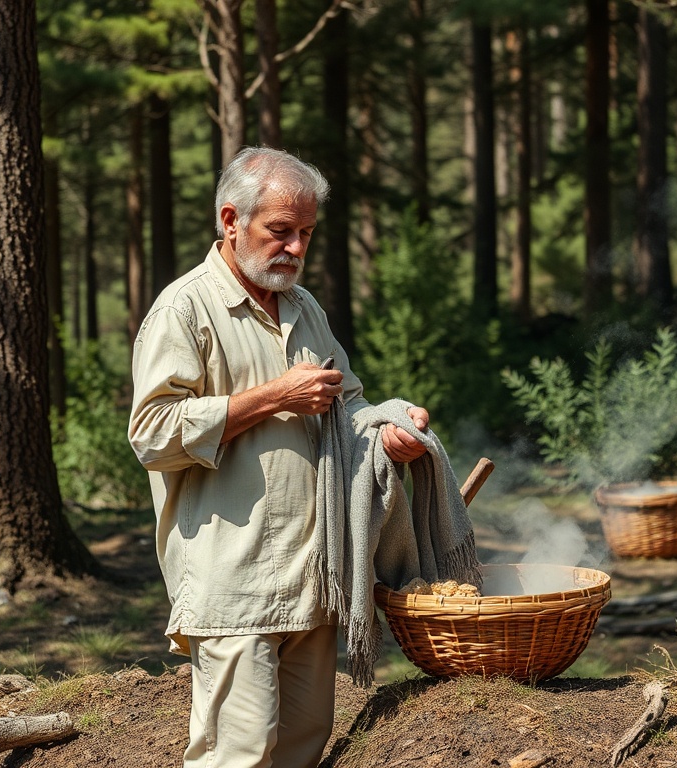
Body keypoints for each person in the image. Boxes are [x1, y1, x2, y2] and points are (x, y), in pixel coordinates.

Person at [127, 146, 433, 768]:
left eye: (306, 234)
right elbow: (152, 434)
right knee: (237, 755)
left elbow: (350, 408)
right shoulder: (184, 309)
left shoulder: (304, 307)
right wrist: (272, 397)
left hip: (312, 576)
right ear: (231, 219)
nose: (294, 248)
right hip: (231, 581)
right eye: (279, 231)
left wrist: (389, 431)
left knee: (300, 749)